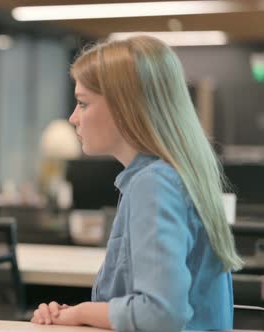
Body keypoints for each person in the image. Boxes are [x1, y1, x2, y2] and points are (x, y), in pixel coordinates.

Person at [31, 36, 243, 331]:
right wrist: (79, 315)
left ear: (125, 107)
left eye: (83, 103)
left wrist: (82, 313)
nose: (73, 117)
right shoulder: (166, 177)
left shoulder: (155, 184)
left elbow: (161, 314)